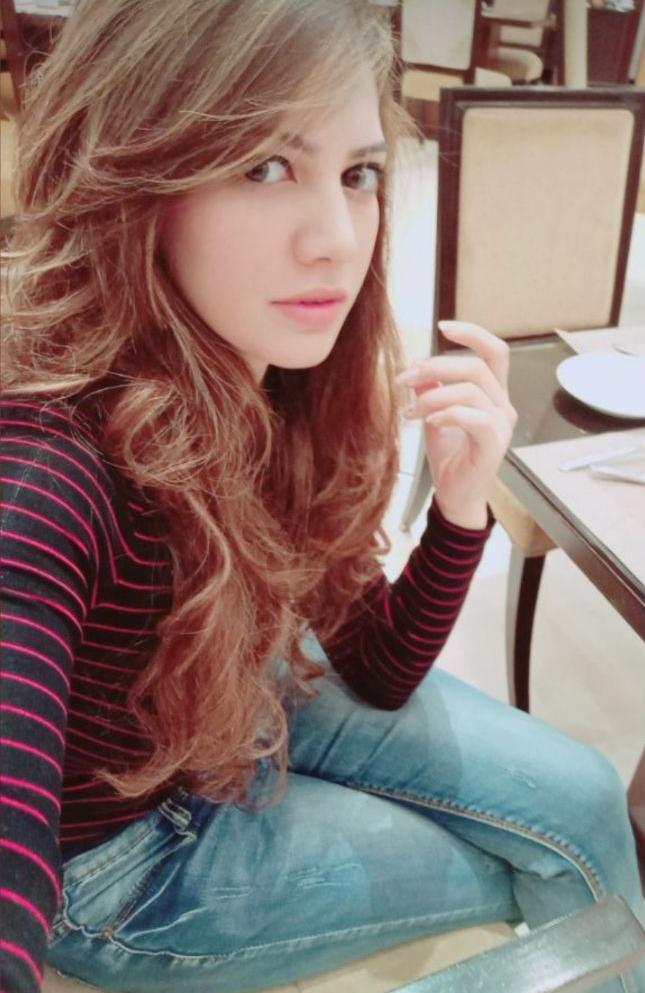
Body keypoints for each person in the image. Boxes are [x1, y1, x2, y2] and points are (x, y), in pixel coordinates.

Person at [0, 2, 643, 992]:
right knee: (534, 863)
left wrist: (459, 505)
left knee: (589, 797)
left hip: (233, 698)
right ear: (133, 179)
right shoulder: (48, 469)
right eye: (265, 167)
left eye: (358, 174)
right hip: (130, 858)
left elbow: (375, 666)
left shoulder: (274, 377)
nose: (338, 241)